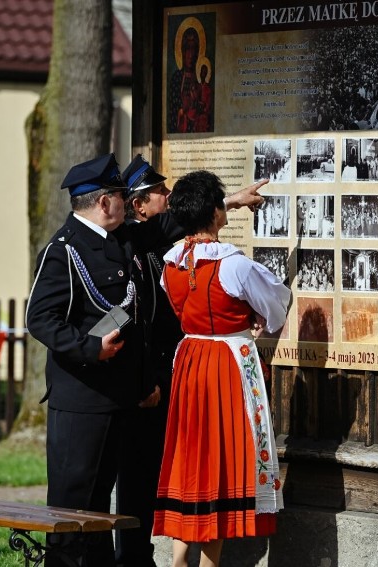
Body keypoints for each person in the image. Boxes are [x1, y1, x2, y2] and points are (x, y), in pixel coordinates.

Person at [26, 153, 265, 566]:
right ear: (105, 203)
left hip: (120, 400)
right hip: (81, 402)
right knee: (72, 508)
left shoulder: (121, 239)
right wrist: (90, 347)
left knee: (104, 514)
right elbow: (39, 318)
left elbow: (166, 225)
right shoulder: (64, 250)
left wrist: (232, 202)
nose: (128, 202)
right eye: (121, 195)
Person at [152, 170, 290, 567]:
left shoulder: (171, 263)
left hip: (191, 359)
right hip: (228, 363)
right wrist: (259, 321)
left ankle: (180, 556)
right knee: (221, 456)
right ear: (216, 211)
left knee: (192, 452)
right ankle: (210, 562)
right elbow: (278, 303)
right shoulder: (234, 265)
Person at [114, 155, 183, 567]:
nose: (168, 196)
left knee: (150, 472)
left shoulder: (153, 247)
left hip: (160, 372)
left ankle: (138, 555)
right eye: (160, 192)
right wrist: (142, 380)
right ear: (139, 206)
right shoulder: (131, 247)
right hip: (143, 380)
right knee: (136, 475)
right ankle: (132, 557)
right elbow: (125, 316)